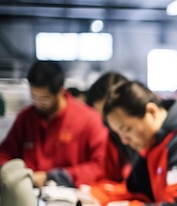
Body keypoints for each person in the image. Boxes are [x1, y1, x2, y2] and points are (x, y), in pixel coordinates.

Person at [0, 60, 108, 188]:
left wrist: (56, 177)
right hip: (29, 191)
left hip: (70, 195)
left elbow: (100, 166)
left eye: (44, 99)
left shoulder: (89, 119)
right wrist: (15, 174)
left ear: (60, 91)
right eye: (33, 97)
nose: (38, 103)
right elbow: (5, 154)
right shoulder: (26, 117)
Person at [85, 71, 138, 184]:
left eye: (108, 114)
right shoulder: (112, 133)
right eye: (102, 116)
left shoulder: (144, 134)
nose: (108, 122)